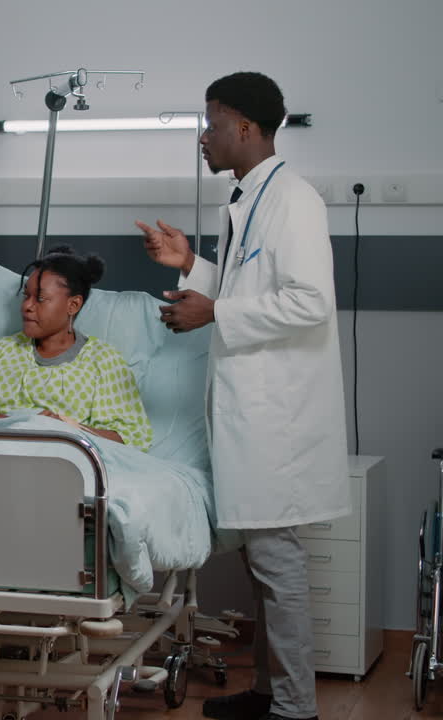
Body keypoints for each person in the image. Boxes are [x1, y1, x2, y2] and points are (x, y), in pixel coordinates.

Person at [136, 72, 348, 720]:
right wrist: (189, 266)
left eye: (212, 123)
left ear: (246, 128)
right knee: (265, 566)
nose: (204, 137)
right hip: (256, 417)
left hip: (277, 421)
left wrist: (216, 311)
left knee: (278, 564)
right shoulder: (251, 198)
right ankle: (270, 694)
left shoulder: (293, 201)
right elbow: (242, 285)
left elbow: (309, 302)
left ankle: (295, 709)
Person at [0, 245, 153, 450]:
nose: (27, 306)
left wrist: (62, 428)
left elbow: (132, 440)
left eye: (41, 298)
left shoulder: (104, 362)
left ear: (73, 305)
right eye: (26, 295)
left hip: (63, 466)